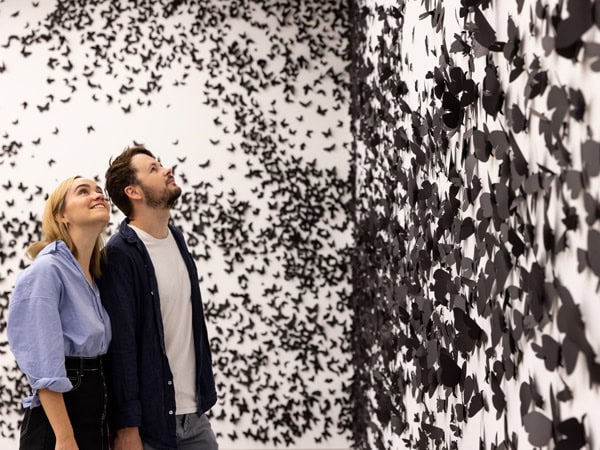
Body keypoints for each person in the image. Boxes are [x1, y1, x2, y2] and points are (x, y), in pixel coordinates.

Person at [98, 145, 217, 450]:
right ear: (133, 192)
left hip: (195, 418)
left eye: (160, 164)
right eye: (153, 169)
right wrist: (127, 426)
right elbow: (122, 347)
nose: (166, 169)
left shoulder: (177, 238)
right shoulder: (120, 254)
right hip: (151, 427)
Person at [7, 176, 112, 450]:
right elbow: (43, 361)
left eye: (99, 190)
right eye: (84, 191)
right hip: (61, 421)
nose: (98, 195)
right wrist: (65, 438)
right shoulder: (47, 271)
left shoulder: (95, 276)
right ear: (61, 215)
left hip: (93, 409)